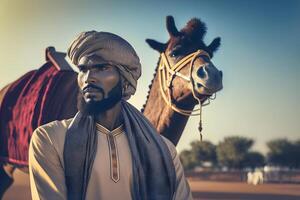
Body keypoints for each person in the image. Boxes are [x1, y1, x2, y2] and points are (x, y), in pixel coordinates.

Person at [29, 31, 193, 200]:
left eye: (101, 68)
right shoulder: (50, 138)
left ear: (125, 79)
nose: (88, 78)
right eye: (83, 69)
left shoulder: (165, 150)